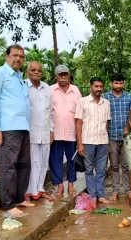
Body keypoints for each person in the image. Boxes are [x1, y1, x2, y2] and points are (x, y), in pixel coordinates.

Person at [0, 44, 34, 217]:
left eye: (21, 56)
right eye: (15, 55)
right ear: (6, 57)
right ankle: (8, 204)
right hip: (7, 128)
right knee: (8, 167)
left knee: (23, 165)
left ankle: (19, 197)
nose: (18, 59)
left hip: (23, 127)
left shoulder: (19, 78)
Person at [75, 77, 111, 204]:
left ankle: (100, 195)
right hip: (87, 141)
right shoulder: (82, 102)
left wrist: (107, 142)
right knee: (89, 170)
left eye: (101, 86)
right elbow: (78, 123)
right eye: (96, 86)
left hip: (102, 141)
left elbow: (106, 123)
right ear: (91, 87)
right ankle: (92, 196)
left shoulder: (106, 103)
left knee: (101, 170)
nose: (99, 89)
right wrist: (80, 144)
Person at [49, 65, 82, 196]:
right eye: (60, 75)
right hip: (55, 133)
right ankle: (59, 186)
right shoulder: (50, 90)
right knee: (55, 160)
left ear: (69, 76)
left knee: (72, 160)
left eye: (65, 75)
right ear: (56, 76)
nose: (63, 77)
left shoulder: (75, 91)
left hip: (72, 133)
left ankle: (71, 184)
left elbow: (80, 112)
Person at [24, 61, 54, 202]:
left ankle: (39, 190)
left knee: (43, 162)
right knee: (31, 162)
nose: (36, 72)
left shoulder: (46, 87)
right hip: (30, 132)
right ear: (27, 71)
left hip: (45, 131)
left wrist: (52, 130)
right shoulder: (23, 86)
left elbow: (50, 111)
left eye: (39, 70)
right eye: (33, 70)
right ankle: (28, 191)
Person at [103, 73, 131, 201]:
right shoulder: (106, 97)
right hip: (111, 136)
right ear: (111, 83)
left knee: (126, 165)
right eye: (116, 83)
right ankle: (115, 191)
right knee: (114, 165)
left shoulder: (129, 97)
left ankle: (127, 190)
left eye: (120, 83)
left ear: (123, 84)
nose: (118, 85)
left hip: (127, 137)